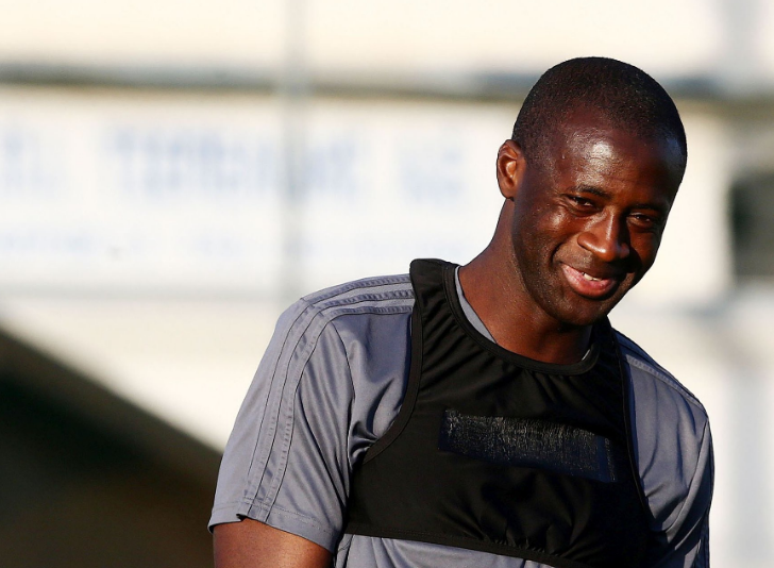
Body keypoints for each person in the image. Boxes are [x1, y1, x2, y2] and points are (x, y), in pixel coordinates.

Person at [210, 57, 714, 568]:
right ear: (511, 171)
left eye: (643, 218)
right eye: (583, 202)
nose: (608, 244)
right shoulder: (345, 348)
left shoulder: (670, 428)